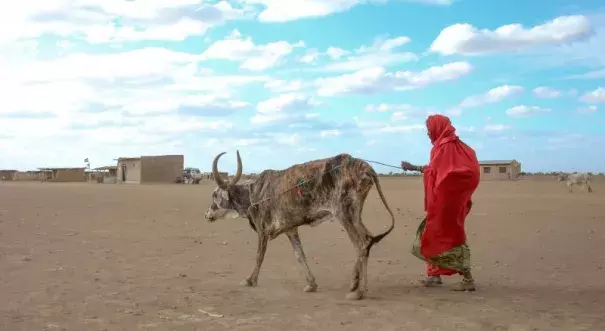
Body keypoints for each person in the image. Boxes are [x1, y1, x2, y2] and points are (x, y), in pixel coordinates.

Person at [401, 114, 480, 291]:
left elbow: (443, 174)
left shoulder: (445, 148)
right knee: (432, 233)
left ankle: (468, 279)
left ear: (437, 128)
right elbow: (437, 170)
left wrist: (415, 168)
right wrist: (414, 168)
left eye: (429, 131)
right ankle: (434, 276)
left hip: (447, 202)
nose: (428, 135)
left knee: (450, 235)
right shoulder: (459, 147)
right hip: (452, 200)